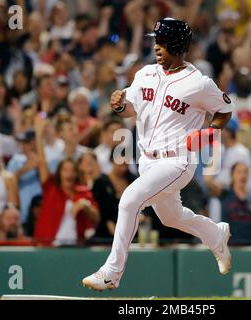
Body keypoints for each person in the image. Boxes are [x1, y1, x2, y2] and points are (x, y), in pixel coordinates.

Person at [82, 18, 234, 291]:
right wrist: (120, 105)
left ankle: (111, 272)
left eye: (161, 41)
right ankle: (216, 235)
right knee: (171, 218)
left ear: (176, 43)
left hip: (178, 159)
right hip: (148, 160)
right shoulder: (145, 74)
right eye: (155, 40)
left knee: (129, 200)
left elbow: (225, 109)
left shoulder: (199, 83)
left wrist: (210, 133)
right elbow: (131, 108)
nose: (156, 46)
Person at [33, 114, 100, 246]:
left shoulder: (83, 192)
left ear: (77, 173)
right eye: (65, 170)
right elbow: (42, 162)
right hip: (48, 247)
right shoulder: (51, 188)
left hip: (76, 248)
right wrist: (39, 136)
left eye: (72, 170)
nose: (69, 174)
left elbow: (96, 218)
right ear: (59, 173)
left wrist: (84, 205)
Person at [205, 162, 251, 245]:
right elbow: (208, 182)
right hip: (230, 246)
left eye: (245, 172)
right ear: (232, 175)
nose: (242, 175)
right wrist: (213, 159)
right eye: (239, 172)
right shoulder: (225, 193)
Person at [6, 130, 42, 224]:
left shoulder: (45, 161)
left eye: (29, 143)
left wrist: (40, 167)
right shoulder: (15, 160)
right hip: (23, 211)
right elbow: (8, 183)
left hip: (41, 209)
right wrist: (25, 168)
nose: (27, 146)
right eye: (25, 143)